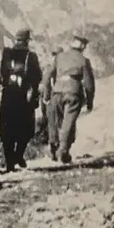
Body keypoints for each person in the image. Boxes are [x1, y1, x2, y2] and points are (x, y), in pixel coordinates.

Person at [0, 27, 44, 172]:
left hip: (8, 95)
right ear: (27, 41)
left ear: (16, 40)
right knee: (25, 128)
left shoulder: (6, 54)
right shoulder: (31, 56)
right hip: (23, 95)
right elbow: (37, 76)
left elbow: (0, 76)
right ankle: (18, 155)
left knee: (7, 129)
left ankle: (9, 163)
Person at [46, 31, 97, 166]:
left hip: (57, 92)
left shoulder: (59, 57)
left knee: (57, 122)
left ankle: (55, 147)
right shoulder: (84, 61)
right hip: (73, 93)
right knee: (68, 123)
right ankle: (63, 150)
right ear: (82, 46)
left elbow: (48, 75)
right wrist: (90, 102)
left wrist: (47, 95)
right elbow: (89, 85)